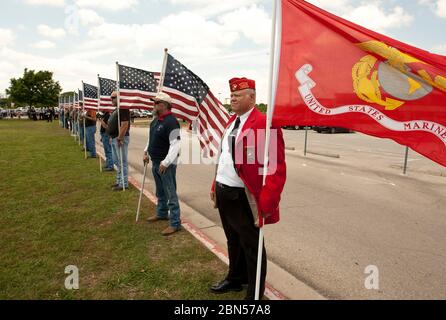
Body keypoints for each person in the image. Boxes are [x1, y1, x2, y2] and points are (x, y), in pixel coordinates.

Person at [209, 77, 286, 300]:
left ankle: (254, 294)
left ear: (252, 97)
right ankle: (235, 278)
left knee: (252, 246)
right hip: (225, 191)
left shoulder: (264, 123)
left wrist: (267, 205)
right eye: (231, 94)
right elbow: (224, 157)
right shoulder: (232, 121)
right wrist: (216, 184)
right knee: (232, 240)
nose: (232, 98)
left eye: (238, 95)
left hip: (245, 196)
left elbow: (276, 167)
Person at [143, 92, 182, 236]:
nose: (153, 105)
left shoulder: (171, 121)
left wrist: (166, 162)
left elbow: (176, 144)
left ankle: (175, 223)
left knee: (170, 192)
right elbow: (151, 138)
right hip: (155, 161)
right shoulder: (155, 120)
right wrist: (146, 151)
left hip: (166, 163)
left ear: (163, 105)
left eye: (155, 103)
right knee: (160, 191)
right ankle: (161, 213)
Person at [108, 91, 130, 191]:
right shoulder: (117, 109)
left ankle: (123, 183)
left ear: (119, 98)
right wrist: (111, 137)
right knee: (117, 161)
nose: (111, 99)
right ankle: (119, 181)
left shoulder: (123, 108)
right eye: (111, 97)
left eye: (113, 97)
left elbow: (125, 124)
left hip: (120, 139)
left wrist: (120, 138)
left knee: (122, 162)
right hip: (114, 138)